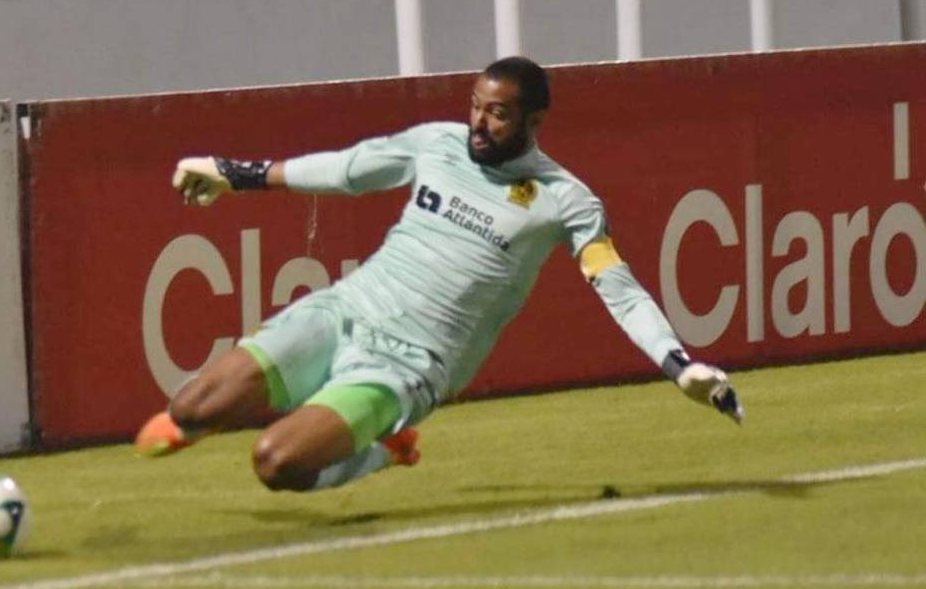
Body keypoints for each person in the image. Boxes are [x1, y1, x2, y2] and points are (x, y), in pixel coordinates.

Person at [134, 56, 743, 492]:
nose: (479, 123)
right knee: (189, 407)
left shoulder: (566, 200)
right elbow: (345, 170)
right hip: (346, 310)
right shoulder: (438, 144)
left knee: (276, 464)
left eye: (498, 115)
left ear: (534, 123)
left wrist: (677, 362)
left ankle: (384, 452)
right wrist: (234, 173)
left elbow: (619, 288)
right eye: (476, 107)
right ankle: (210, 419)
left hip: (408, 364)